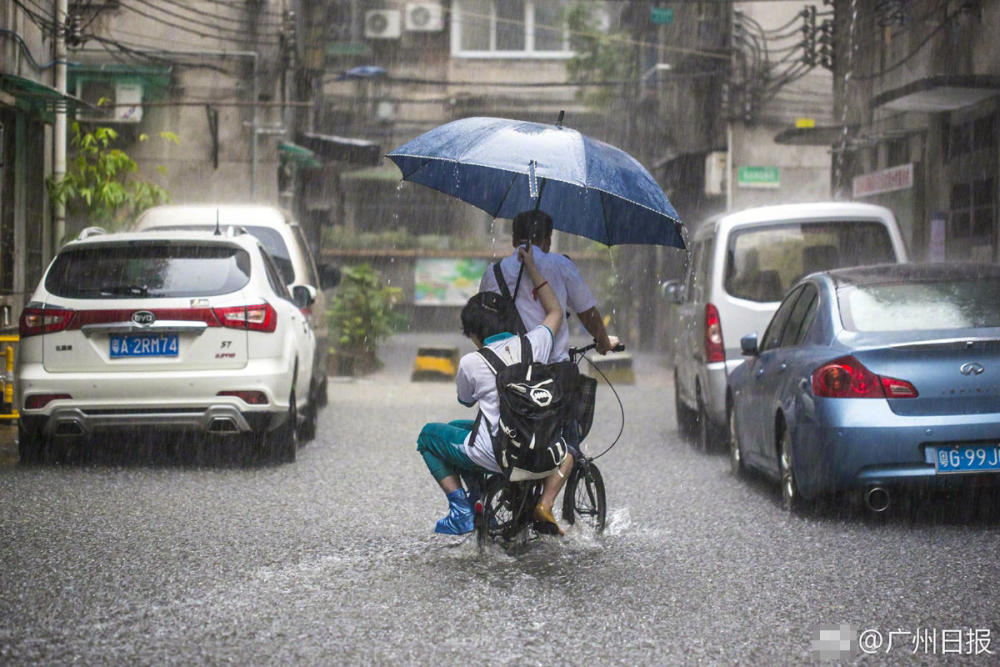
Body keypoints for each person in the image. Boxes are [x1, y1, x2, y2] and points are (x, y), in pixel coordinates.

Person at [416, 244, 573, 536]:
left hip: (497, 455)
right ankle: (482, 499)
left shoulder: (472, 362)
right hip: (540, 450)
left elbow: (465, 400)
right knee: (455, 429)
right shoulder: (535, 342)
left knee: (428, 437)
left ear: (474, 334)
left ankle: (462, 510)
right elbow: (555, 311)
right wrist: (533, 269)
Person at [479, 209, 618, 362]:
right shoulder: (561, 265)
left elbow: (483, 319)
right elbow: (587, 313)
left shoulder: (492, 272)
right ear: (548, 241)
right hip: (553, 370)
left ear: (513, 240)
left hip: (507, 369)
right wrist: (603, 341)